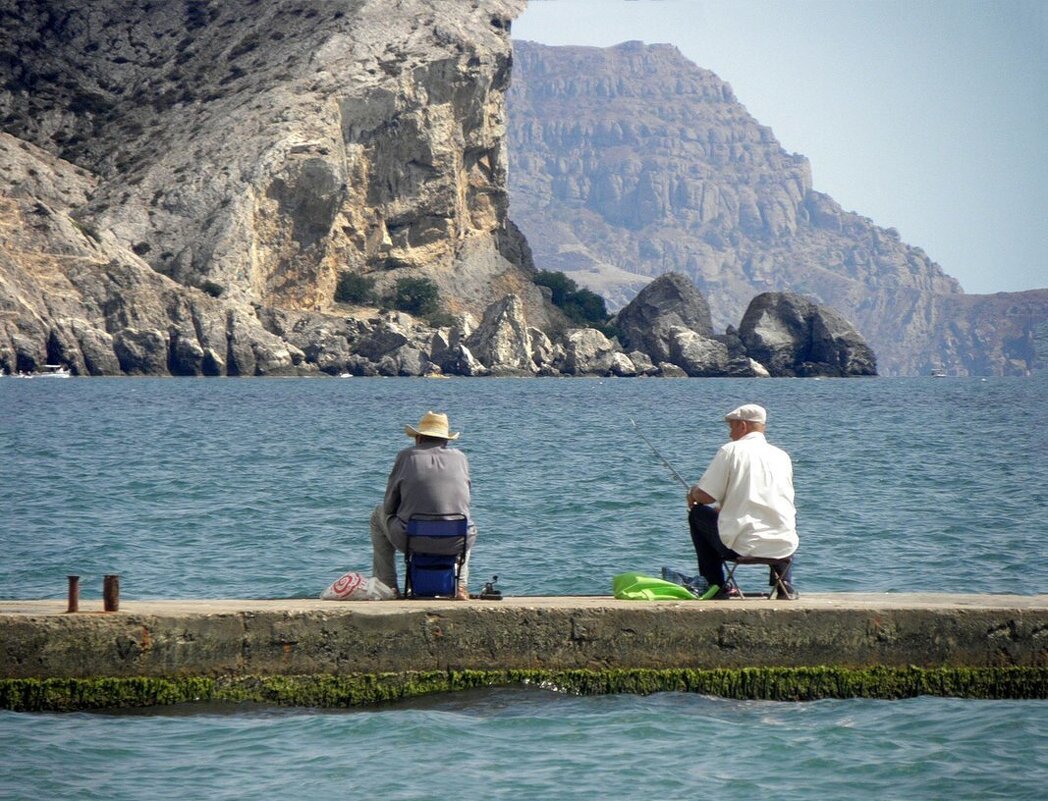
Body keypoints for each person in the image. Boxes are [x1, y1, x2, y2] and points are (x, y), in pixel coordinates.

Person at [686, 403, 798, 599]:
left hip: (741, 546)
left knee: (698, 514)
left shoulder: (731, 451)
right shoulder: (782, 456)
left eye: (732, 427)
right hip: (784, 546)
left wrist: (693, 493)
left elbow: (706, 496)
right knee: (779, 516)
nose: (730, 434)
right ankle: (784, 583)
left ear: (743, 426)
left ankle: (716, 584)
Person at [370, 411, 476, 599]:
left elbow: (389, 507)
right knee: (466, 524)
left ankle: (388, 586)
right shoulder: (461, 458)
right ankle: (460, 586)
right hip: (455, 540)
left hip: (413, 539)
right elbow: (466, 499)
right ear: (446, 440)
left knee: (377, 515)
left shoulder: (406, 456)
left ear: (418, 438)